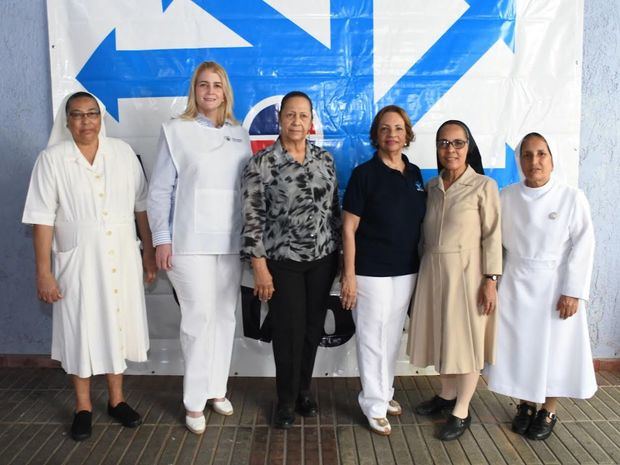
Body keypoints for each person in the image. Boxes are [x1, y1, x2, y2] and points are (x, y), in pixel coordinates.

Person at [22, 91, 157, 441]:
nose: (86, 121)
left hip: (123, 255)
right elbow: (41, 220)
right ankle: (83, 406)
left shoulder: (123, 154)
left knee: (117, 324)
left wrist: (148, 251)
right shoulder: (51, 160)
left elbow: (140, 205)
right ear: (66, 122)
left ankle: (117, 400)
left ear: (101, 118)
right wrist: (44, 272)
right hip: (78, 260)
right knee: (80, 329)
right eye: (77, 115)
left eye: (92, 114)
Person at [147, 61, 251, 434]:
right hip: (188, 244)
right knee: (198, 319)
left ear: (226, 92)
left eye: (217, 85)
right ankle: (193, 402)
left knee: (225, 317)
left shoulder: (240, 133)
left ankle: (215, 389)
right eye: (203, 85)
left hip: (230, 243)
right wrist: (162, 238)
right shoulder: (176, 131)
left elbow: (247, 191)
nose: (210, 91)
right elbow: (159, 190)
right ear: (194, 90)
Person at [486, 132, 596, 440]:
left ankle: (548, 409)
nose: (534, 161)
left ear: (551, 158)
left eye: (541, 154)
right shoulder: (506, 196)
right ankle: (525, 404)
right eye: (527, 155)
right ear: (520, 161)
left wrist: (573, 291)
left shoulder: (571, 197)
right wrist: (493, 280)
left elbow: (584, 245)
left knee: (555, 350)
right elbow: (495, 244)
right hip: (517, 283)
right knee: (522, 348)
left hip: (556, 288)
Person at [241, 91, 340, 429]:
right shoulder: (261, 163)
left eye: (303, 116)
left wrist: (340, 258)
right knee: (287, 331)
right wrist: (259, 265)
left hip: (322, 259)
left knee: (312, 329)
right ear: (279, 119)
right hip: (283, 261)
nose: (297, 121)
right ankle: (284, 400)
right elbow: (252, 218)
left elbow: (334, 211)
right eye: (290, 115)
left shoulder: (324, 160)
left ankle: (303, 392)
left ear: (311, 121)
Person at [407, 120, 501, 441]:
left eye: (458, 143)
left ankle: (462, 408)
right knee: (443, 337)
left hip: (468, 276)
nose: (451, 150)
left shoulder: (484, 186)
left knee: (467, 342)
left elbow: (492, 236)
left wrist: (490, 279)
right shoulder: (431, 187)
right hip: (433, 273)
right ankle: (446, 395)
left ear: (469, 147)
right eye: (444, 143)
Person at [340, 105, 426, 435]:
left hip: (406, 270)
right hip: (370, 271)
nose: (392, 135)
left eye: (399, 129)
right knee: (372, 338)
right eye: (386, 129)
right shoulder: (365, 174)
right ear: (376, 134)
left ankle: (385, 391)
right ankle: (374, 403)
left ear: (407, 134)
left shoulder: (415, 173)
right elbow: (348, 228)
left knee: (390, 337)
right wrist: (348, 274)